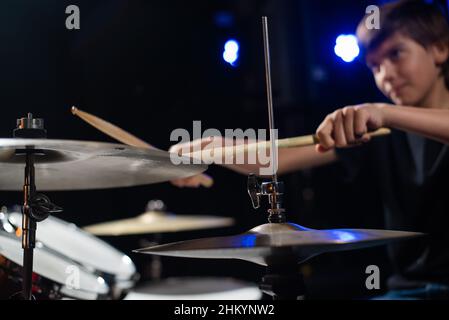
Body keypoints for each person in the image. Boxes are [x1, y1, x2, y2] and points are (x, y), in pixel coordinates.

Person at [170, 0, 449, 299]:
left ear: (439, 49)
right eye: (375, 65)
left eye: (396, 54)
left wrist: (383, 111)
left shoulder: (383, 116)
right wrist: (209, 149)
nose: (386, 74)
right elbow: (274, 157)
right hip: (408, 292)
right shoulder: (380, 132)